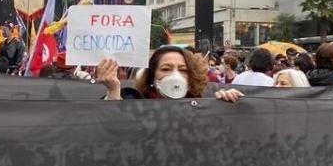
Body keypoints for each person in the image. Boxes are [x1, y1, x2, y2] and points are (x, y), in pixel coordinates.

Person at [97, 48, 242, 102]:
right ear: (152, 76)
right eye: (166, 69)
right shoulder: (135, 101)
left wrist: (225, 103)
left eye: (183, 70)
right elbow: (112, 126)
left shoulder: (204, 103)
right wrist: (113, 91)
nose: (175, 74)